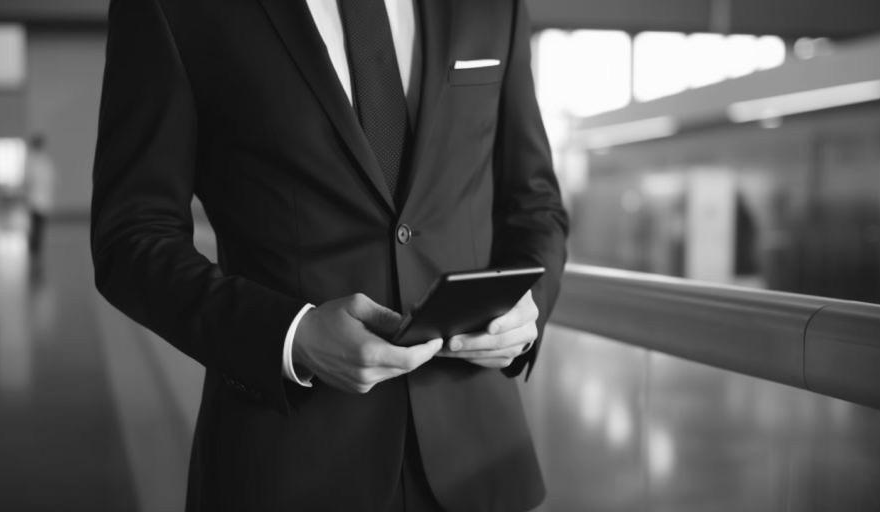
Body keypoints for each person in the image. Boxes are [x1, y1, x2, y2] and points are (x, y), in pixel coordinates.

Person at [91, 0, 568, 511]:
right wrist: (292, 336)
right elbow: (132, 234)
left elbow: (534, 202)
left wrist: (526, 309)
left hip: (480, 463)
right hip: (287, 464)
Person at [24, 134, 56, 259]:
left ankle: (36, 247)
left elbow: (51, 178)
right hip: (35, 199)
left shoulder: (44, 159)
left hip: (42, 199)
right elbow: (29, 180)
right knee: (36, 224)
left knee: (39, 225)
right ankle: (34, 247)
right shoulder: (33, 160)